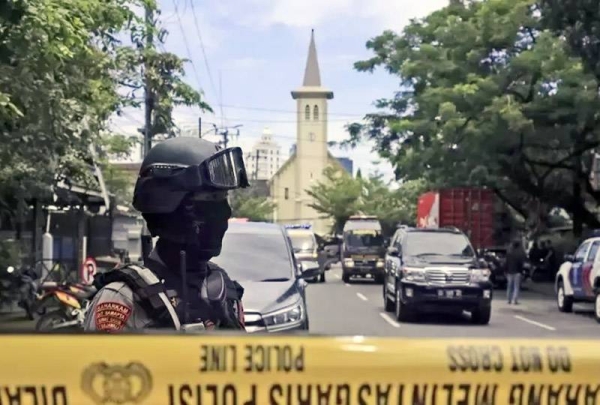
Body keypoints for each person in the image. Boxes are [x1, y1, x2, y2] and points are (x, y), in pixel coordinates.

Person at [84, 137, 249, 332]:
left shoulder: (224, 290)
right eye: (210, 199)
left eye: (223, 198)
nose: (224, 212)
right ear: (169, 208)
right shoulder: (121, 300)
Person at [506, 240, 527, 305]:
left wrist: (505, 271)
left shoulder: (509, 254)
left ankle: (509, 300)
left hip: (510, 271)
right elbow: (521, 264)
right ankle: (515, 300)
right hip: (517, 272)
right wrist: (522, 271)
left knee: (509, 286)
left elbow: (506, 263)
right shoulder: (519, 254)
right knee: (516, 287)